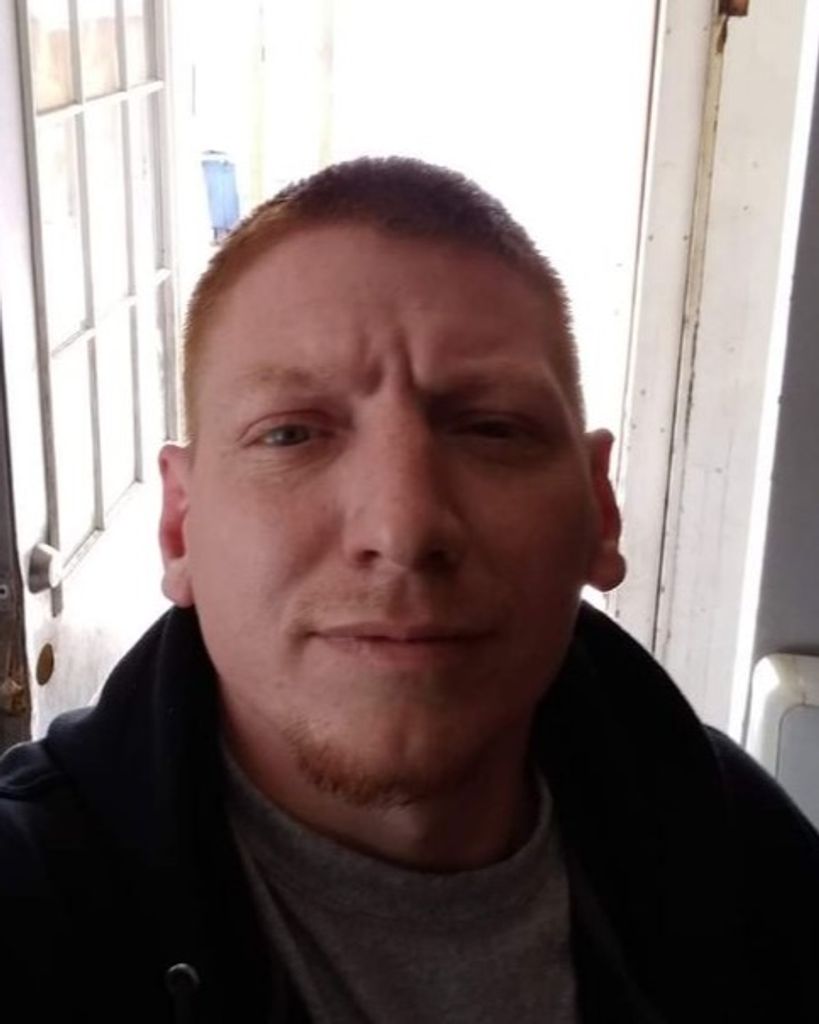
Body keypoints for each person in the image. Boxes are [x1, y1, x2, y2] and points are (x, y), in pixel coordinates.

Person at [1, 157, 818, 1024]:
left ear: (599, 513)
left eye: (493, 428)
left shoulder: (741, 848)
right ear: (179, 527)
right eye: (289, 435)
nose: (402, 529)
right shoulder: (29, 901)